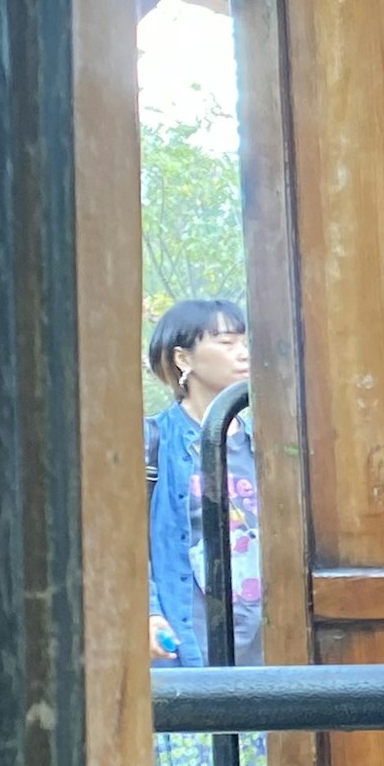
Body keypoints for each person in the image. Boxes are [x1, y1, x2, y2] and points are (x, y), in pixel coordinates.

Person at [145, 296, 261, 705]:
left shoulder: (267, 439)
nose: (243, 352)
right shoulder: (152, 441)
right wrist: (148, 613)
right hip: (186, 641)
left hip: (265, 647)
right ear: (183, 359)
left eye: (245, 340)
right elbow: (120, 544)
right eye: (227, 342)